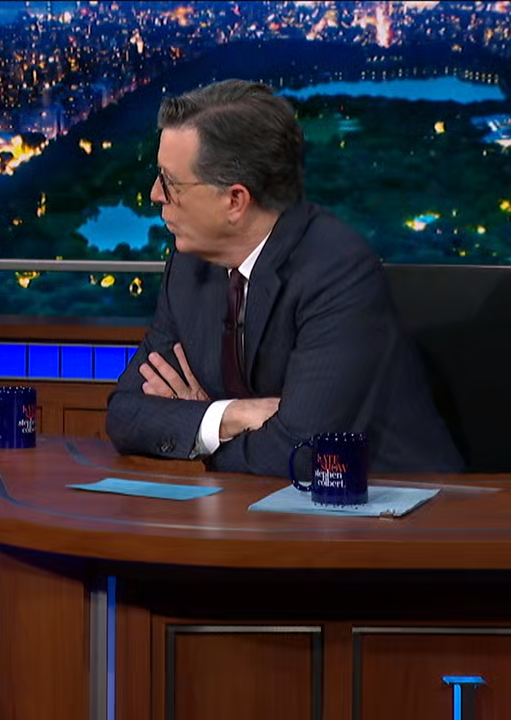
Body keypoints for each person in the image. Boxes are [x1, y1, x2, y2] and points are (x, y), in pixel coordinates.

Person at [105, 79, 462, 477]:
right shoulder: (190, 268)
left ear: (235, 201)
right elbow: (125, 413)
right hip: (261, 503)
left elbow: (302, 453)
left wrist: (198, 437)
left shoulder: (336, 269)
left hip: (398, 502)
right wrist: (226, 417)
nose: (155, 194)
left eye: (170, 182)